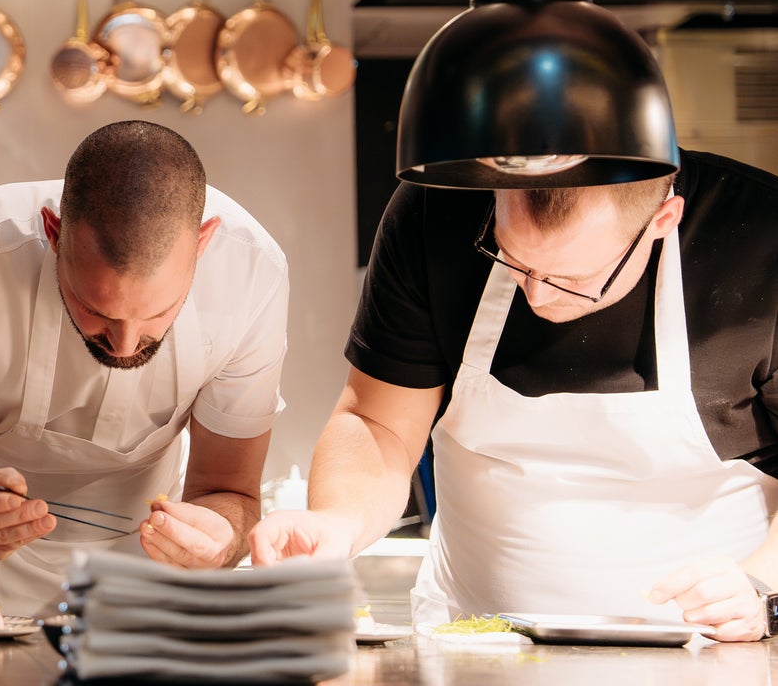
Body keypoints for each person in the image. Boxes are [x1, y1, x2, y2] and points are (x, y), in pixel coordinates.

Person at [250, 150, 778, 642]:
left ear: (663, 221)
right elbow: (378, 422)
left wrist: (759, 588)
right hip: (475, 654)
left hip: (706, 654)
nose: (538, 295)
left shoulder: (760, 235)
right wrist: (339, 523)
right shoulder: (438, 204)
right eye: (511, 257)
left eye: (572, 278)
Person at [0, 121, 290, 619]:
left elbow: (232, 492)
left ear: (203, 245)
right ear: (54, 233)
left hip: (146, 593)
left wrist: (220, 542)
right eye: (96, 310)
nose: (123, 346)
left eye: (159, 313)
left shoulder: (253, 276)